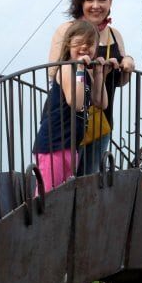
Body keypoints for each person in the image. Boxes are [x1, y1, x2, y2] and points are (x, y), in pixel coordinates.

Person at [48, 0, 135, 175]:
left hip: (101, 121)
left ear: (110, 1)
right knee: (62, 179)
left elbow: (120, 81)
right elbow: (53, 70)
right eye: (90, 0)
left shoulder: (115, 35)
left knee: (91, 179)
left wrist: (127, 62)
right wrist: (84, 70)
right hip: (68, 123)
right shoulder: (67, 30)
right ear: (81, 2)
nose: (96, 5)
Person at [34, 20, 108, 193]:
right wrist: (81, 69)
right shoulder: (68, 68)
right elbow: (77, 102)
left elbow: (101, 102)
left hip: (71, 145)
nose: (84, 47)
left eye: (90, 44)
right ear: (69, 45)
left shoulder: (84, 71)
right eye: (78, 43)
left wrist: (99, 73)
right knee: (47, 196)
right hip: (54, 145)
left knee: (62, 196)